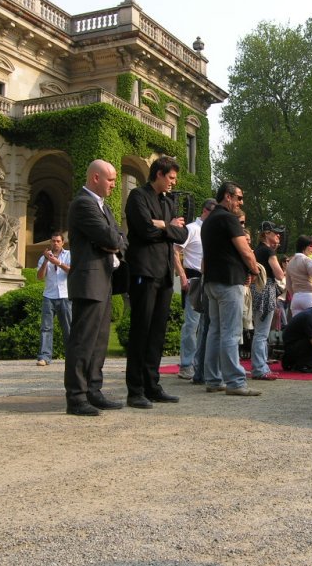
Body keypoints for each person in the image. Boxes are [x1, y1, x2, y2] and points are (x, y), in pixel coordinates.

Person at [63, 160, 128, 416]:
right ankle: (76, 397)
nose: (114, 184)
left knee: (99, 342)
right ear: (95, 178)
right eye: (111, 180)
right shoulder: (83, 204)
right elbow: (113, 238)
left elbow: (121, 240)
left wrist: (114, 241)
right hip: (89, 281)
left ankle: (93, 390)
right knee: (83, 342)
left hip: (103, 280)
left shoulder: (102, 206)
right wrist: (113, 240)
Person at [123, 156, 188, 408]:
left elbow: (182, 233)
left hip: (164, 274)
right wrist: (165, 227)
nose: (173, 182)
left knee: (157, 333)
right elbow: (144, 231)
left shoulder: (168, 201)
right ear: (159, 174)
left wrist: (162, 225)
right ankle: (135, 390)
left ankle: (152, 385)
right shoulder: (138, 196)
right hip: (144, 271)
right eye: (171, 177)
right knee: (141, 330)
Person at [201, 181, 261, 396]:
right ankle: (235, 382)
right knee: (230, 332)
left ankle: (214, 379)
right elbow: (245, 250)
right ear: (228, 196)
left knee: (215, 331)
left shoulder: (209, 220)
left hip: (211, 282)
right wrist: (255, 270)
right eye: (239, 197)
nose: (241, 202)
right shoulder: (228, 218)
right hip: (228, 281)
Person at [174, 198, 216, 379]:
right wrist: (183, 276)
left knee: (205, 324)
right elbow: (174, 250)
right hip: (194, 278)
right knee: (192, 324)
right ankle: (186, 364)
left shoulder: (210, 230)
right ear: (206, 211)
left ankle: (199, 363)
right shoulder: (192, 229)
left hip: (208, 279)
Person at [249, 221, 286, 380]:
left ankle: (262, 365)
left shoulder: (257, 250)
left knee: (259, 332)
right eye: (275, 233)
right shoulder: (269, 252)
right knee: (262, 333)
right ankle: (259, 368)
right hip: (266, 290)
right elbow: (279, 275)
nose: (278, 236)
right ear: (266, 234)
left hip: (256, 290)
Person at [35, 232, 72, 367]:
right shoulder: (43, 257)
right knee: (46, 328)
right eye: (53, 241)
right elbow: (40, 276)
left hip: (65, 296)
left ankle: (71, 356)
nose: (55, 243)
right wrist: (46, 260)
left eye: (58, 241)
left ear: (62, 242)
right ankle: (44, 357)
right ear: (50, 242)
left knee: (68, 328)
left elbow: (72, 271)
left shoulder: (69, 255)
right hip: (49, 296)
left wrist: (59, 263)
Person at [285, 235, 312, 318]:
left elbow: (288, 284)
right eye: (311, 246)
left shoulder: (290, 262)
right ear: (304, 246)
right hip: (310, 296)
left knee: (298, 327)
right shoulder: (307, 260)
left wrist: (295, 295)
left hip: (296, 298)